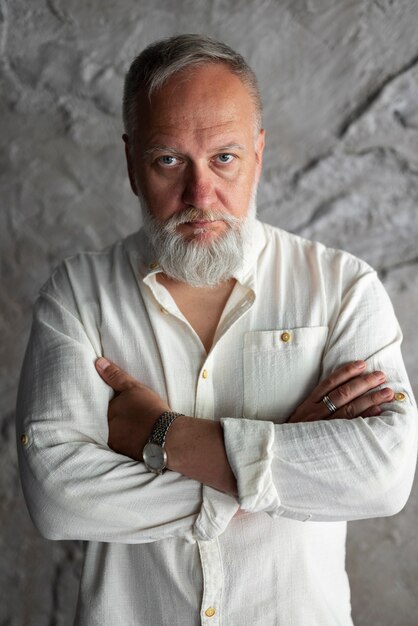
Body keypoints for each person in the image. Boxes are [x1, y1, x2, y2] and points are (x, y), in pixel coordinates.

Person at [16, 34, 417, 626]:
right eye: (169, 160)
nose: (199, 195)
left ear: (259, 153)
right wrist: (281, 462)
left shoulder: (342, 288)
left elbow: (383, 475)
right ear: (132, 164)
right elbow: (57, 497)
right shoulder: (77, 297)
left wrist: (163, 435)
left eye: (224, 157)